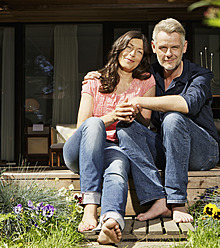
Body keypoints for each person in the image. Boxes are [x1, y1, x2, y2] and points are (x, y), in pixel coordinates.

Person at [84, 18, 220, 223]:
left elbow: (186, 104)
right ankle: (157, 199)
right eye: (163, 47)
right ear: (154, 47)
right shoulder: (148, 75)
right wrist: (97, 76)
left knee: (174, 118)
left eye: (175, 47)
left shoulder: (200, 76)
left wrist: (140, 100)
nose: (169, 54)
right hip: (167, 150)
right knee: (125, 127)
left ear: (184, 47)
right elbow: (122, 72)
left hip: (202, 152)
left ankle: (177, 201)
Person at [63, 30, 155, 244]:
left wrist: (134, 114)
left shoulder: (145, 82)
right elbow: (82, 125)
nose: (133, 54)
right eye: (129, 47)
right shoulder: (95, 80)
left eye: (140, 51)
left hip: (115, 148)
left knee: (117, 168)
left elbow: (147, 122)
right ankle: (90, 209)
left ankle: (111, 222)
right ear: (118, 48)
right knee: (94, 123)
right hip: (81, 149)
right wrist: (113, 116)